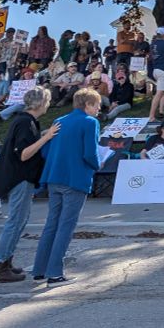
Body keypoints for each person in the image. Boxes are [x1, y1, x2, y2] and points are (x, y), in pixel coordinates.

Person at [0, 88, 59, 282]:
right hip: (19, 178)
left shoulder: (25, 120)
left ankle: (6, 262)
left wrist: (42, 134)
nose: (48, 104)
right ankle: (0, 267)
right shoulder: (25, 122)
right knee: (15, 221)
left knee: (19, 221)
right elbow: (24, 154)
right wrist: (46, 137)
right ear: (41, 103)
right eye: (47, 101)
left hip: (21, 177)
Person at [32, 87, 101, 286]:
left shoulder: (60, 121)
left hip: (55, 177)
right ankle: (55, 273)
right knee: (66, 225)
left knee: (51, 223)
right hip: (76, 178)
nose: (98, 109)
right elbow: (90, 153)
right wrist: (98, 164)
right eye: (96, 105)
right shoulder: (90, 122)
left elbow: (48, 150)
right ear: (88, 105)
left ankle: (40, 269)